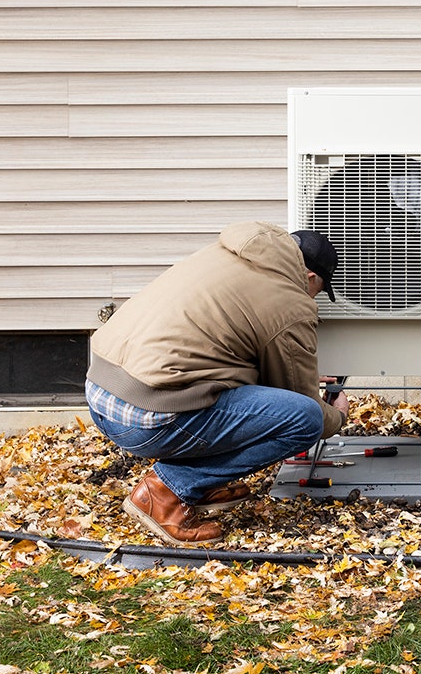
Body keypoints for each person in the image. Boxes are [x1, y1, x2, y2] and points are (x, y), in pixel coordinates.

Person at [84, 222, 348, 546]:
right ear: (310, 278)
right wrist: (337, 415)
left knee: (260, 408)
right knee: (305, 419)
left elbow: (217, 346)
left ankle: (200, 485)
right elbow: (301, 405)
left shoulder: (226, 255)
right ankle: (165, 491)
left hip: (102, 391)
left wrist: (290, 365)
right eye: (318, 291)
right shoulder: (290, 300)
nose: (314, 298)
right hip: (145, 416)